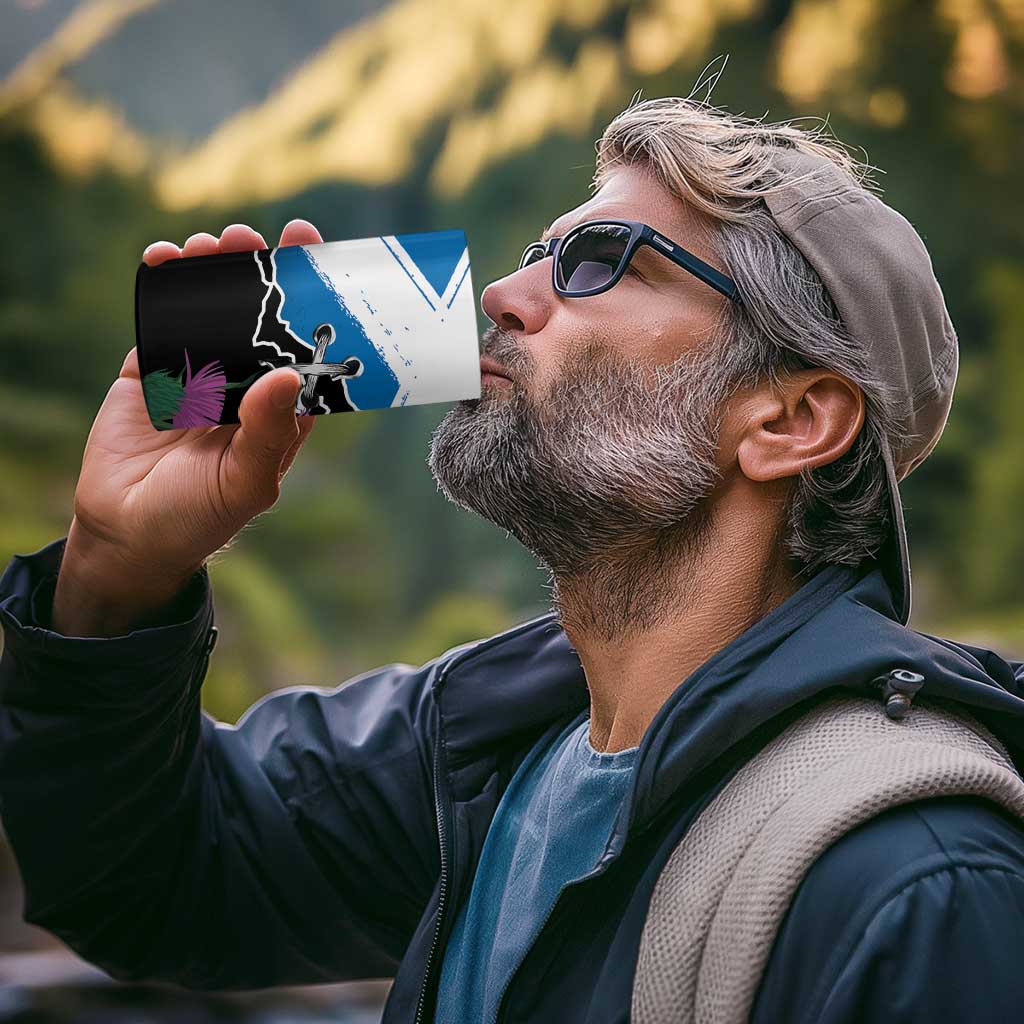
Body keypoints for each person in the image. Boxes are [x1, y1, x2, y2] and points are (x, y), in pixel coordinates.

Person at [2, 95, 1024, 1024]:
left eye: (599, 262)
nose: (502, 291)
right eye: (539, 252)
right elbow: (149, 880)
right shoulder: (480, 749)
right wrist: (116, 570)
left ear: (791, 419)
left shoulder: (918, 884)